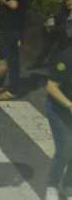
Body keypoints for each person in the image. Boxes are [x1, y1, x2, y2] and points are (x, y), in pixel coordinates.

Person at [0, 0, 29, 100]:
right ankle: (0, 84)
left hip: (12, 29)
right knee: (6, 57)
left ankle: (13, 90)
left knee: (12, 59)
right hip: (8, 28)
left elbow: (14, 5)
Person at [44, 44, 72, 200]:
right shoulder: (66, 57)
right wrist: (69, 105)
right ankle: (52, 185)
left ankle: (68, 185)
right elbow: (51, 87)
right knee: (65, 148)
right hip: (59, 109)